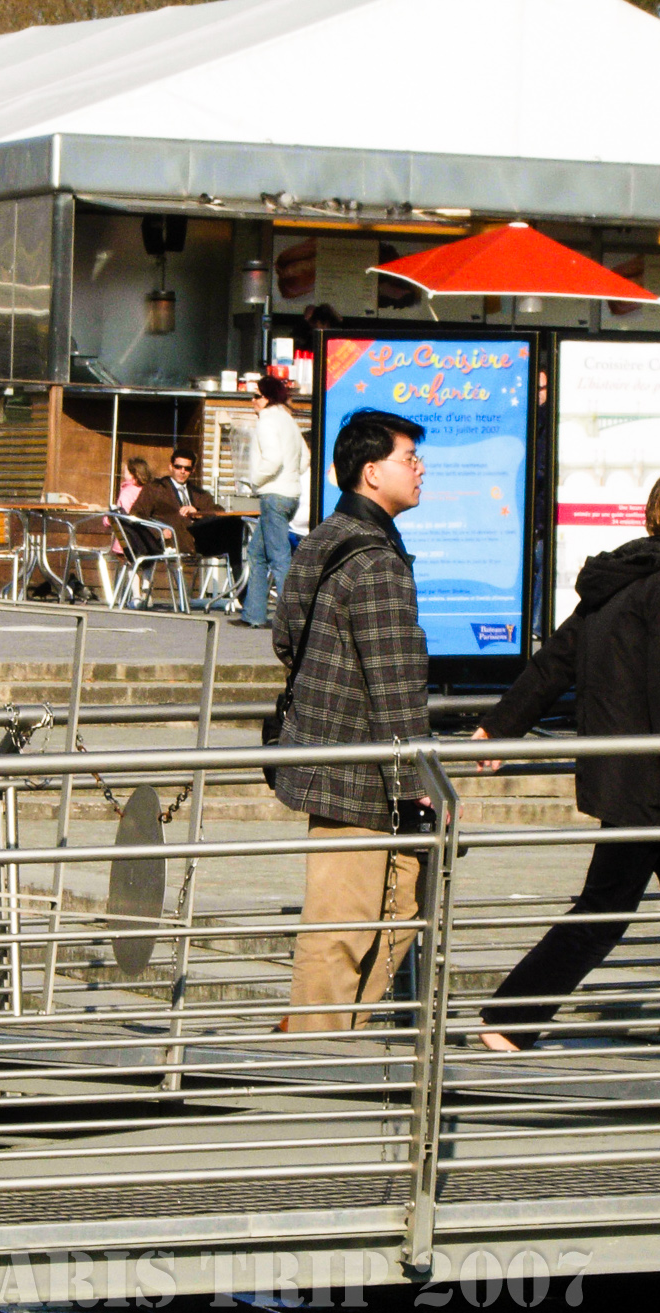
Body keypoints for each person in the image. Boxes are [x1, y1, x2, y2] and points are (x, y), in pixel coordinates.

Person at [469, 468, 660, 1059]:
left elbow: (556, 661)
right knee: (608, 907)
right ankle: (509, 1017)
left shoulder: (623, 577)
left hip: (631, 774)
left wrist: (500, 726)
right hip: (659, 784)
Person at [273, 409, 430, 1033]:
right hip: (362, 771)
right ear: (371, 472)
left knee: (395, 908)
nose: (420, 469)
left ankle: (336, 1037)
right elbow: (396, 685)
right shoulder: (377, 561)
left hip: (328, 755)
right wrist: (417, 784)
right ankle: (311, 1052)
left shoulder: (325, 535)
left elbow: (285, 637)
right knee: (344, 924)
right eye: (408, 459)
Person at [239, 373, 309, 628]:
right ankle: (253, 614)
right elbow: (305, 458)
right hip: (291, 495)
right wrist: (290, 477)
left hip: (274, 496)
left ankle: (292, 621)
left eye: (256, 396)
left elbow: (273, 459)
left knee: (280, 558)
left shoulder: (267, 421)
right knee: (256, 553)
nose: (252, 401)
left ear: (267, 398)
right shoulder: (289, 421)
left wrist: (255, 480)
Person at [132, 447, 244, 577]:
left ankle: (241, 584)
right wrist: (158, 531)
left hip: (198, 542)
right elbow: (136, 514)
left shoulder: (198, 493)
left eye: (187, 468)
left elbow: (219, 511)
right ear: (171, 466)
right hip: (172, 542)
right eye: (178, 467)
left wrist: (197, 511)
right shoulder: (156, 489)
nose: (182, 471)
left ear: (193, 470)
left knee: (234, 525)